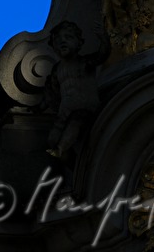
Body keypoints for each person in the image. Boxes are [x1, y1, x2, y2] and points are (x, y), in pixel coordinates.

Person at [42, 21, 109, 161]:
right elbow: (53, 93)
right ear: (53, 46)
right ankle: (69, 161)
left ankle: (61, 149)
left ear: (79, 43)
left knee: (75, 122)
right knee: (52, 138)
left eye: (68, 37)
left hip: (85, 108)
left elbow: (102, 55)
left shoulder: (84, 62)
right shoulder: (57, 69)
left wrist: (103, 39)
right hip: (65, 111)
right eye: (58, 40)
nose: (63, 42)